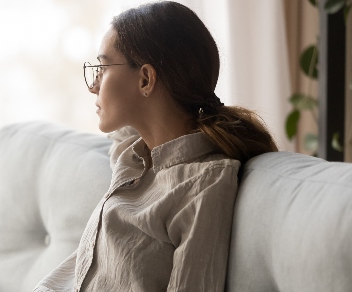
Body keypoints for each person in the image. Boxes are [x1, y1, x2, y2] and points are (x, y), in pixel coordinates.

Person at [33, 1, 278, 291]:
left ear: (146, 79)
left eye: (102, 67)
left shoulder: (203, 184)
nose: (93, 86)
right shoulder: (134, 158)